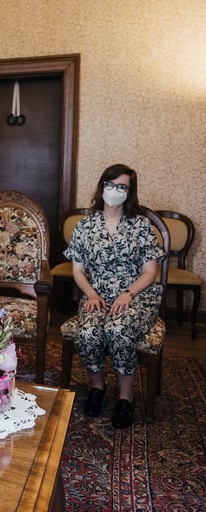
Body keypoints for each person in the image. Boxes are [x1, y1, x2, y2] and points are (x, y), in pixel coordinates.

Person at [64, 163, 164, 429]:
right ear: (102, 187)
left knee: (117, 330)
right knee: (87, 334)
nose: (115, 191)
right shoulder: (85, 227)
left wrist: (128, 294)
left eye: (122, 187)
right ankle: (97, 388)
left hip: (136, 295)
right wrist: (91, 294)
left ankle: (125, 398)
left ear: (130, 193)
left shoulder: (141, 226)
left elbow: (149, 272)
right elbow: (78, 271)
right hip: (96, 294)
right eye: (111, 184)